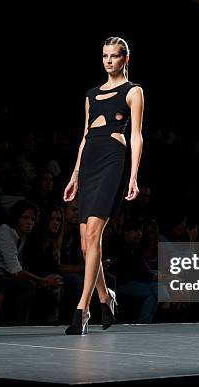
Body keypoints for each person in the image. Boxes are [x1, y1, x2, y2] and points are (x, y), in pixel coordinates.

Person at [62, 36, 144, 335]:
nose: (108, 60)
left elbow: (136, 135)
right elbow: (84, 137)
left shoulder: (133, 91)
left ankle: (82, 310)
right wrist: (74, 176)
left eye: (114, 56)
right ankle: (105, 296)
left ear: (125, 59)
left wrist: (134, 175)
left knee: (94, 233)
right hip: (90, 164)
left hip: (113, 160)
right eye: (105, 56)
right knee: (86, 244)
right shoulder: (91, 94)